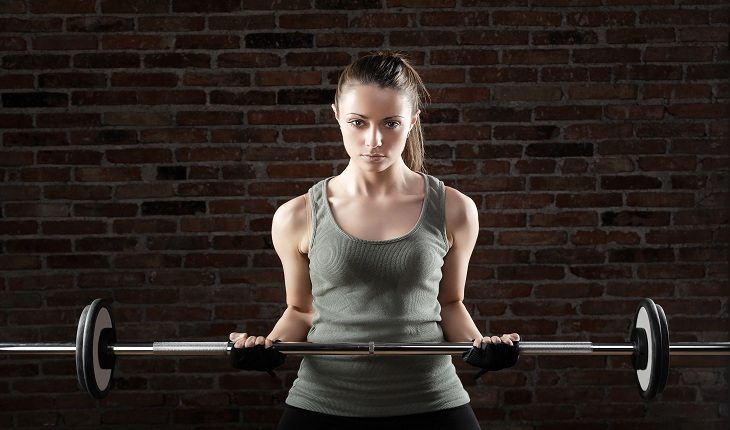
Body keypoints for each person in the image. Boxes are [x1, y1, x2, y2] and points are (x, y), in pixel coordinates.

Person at [229, 51, 520, 430]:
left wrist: (480, 348)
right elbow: (302, 311)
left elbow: (450, 303)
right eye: (357, 122)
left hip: (430, 399)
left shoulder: (455, 209)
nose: (374, 140)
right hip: (323, 402)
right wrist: (268, 348)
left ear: (413, 121)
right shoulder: (295, 215)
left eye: (391, 123)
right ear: (336, 115)